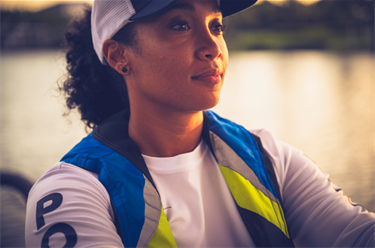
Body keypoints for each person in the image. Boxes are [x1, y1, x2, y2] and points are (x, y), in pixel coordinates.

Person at [25, 0, 375, 247]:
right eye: (180, 25)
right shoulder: (69, 192)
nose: (212, 47)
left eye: (216, 26)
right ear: (119, 55)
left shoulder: (269, 158)